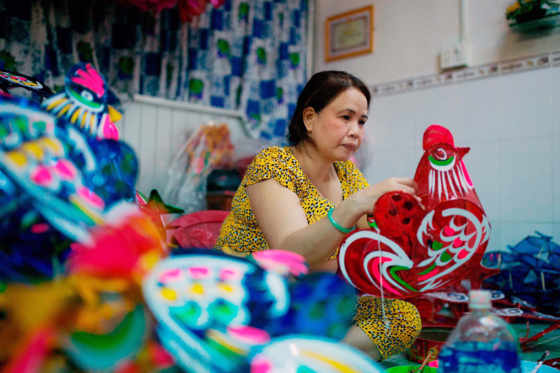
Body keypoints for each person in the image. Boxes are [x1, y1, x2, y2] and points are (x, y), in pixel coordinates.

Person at [215, 71, 421, 361]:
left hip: (312, 299)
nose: (356, 131)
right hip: (252, 299)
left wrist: (411, 218)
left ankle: (303, 357)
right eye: (346, 117)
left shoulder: (347, 173)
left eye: (361, 121)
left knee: (402, 318)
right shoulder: (274, 164)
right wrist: (355, 205)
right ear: (309, 119)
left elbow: (376, 238)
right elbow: (292, 256)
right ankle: (294, 355)